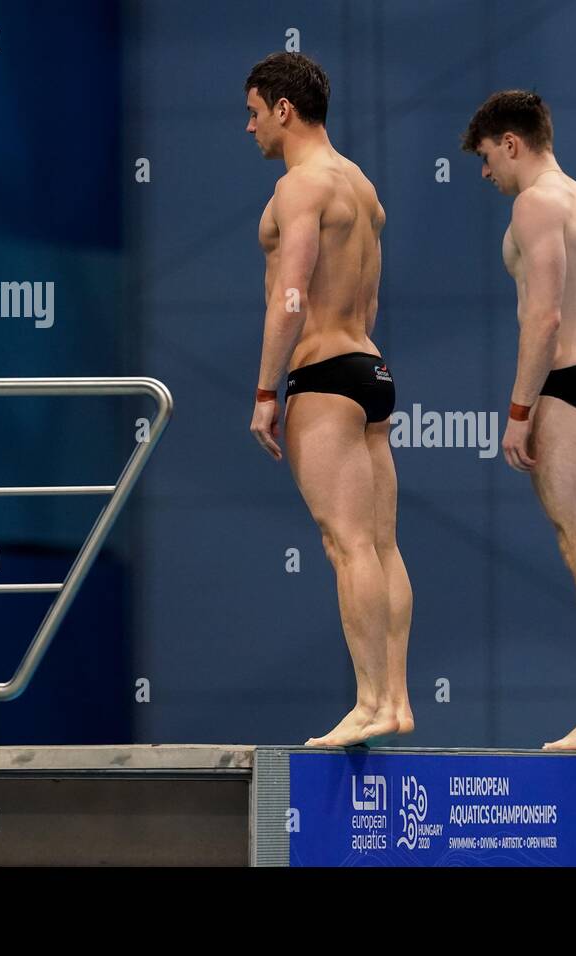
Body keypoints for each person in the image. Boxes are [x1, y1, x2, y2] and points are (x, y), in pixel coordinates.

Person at [461, 90, 576, 749]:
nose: (486, 174)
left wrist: (520, 411)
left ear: (511, 142)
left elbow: (543, 317)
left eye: (486, 158)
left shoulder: (534, 204)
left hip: (565, 386)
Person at [245, 52, 412, 746]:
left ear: (285, 109)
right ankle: (396, 697)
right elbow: (369, 299)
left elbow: (290, 296)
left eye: (254, 113)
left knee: (346, 547)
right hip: (370, 370)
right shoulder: (362, 189)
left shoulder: (301, 188)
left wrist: (265, 390)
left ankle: (371, 703)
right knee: (380, 545)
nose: (248, 127)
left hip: (324, 375)